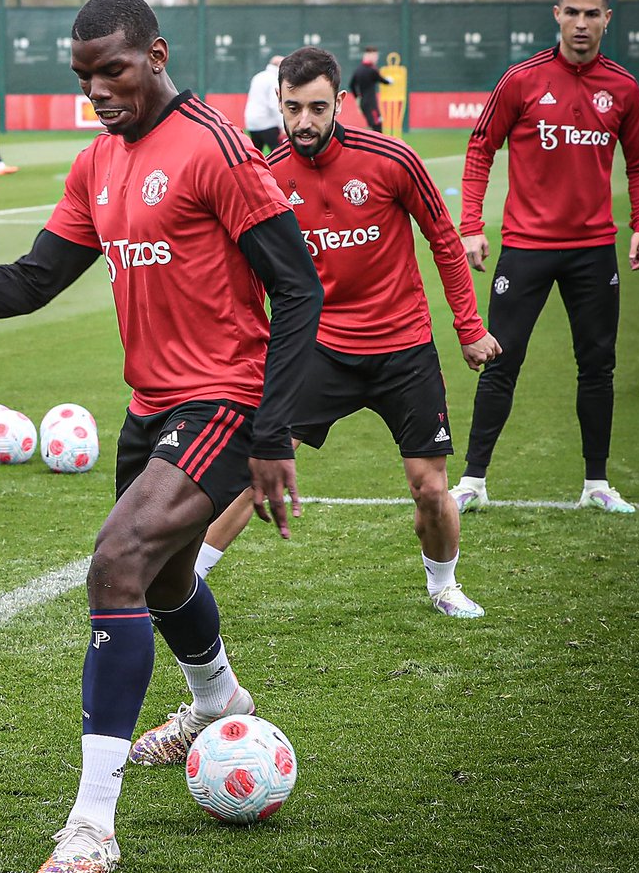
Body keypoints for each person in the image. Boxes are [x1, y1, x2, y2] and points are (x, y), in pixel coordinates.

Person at [0, 0, 322, 873]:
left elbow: (299, 288)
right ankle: (219, 698)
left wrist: (274, 433)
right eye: (83, 78)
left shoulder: (218, 149)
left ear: (156, 55)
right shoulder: (96, 163)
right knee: (163, 579)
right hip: (151, 406)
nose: (97, 92)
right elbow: (35, 279)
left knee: (115, 564)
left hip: (225, 402)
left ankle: (92, 829)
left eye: (111, 71)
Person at [191, 46, 501, 620]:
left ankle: (444, 585)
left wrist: (469, 327)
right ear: (278, 103)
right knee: (260, 461)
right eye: (293, 108)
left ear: (339, 101)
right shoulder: (267, 175)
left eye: (317, 108)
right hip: (321, 350)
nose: (304, 122)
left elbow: (442, 239)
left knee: (430, 488)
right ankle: (188, 581)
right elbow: (245, 271)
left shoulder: (391, 159)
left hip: (403, 348)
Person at [450, 0, 639, 516]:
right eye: (572, 12)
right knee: (500, 361)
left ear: (607, 19)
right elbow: (480, 148)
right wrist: (471, 226)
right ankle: (472, 480)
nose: (581, 23)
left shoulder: (624, 89)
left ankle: (596, 483)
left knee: (598, 367)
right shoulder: (522, 80)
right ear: (557, 15)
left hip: (593, 250)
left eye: (592, 13)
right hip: (526, 248)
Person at [244, 53, 283, 153]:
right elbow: (274, 104)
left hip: (252, 122)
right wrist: (283, 125)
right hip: (267, 122)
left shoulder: (258, 76)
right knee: (278, 153)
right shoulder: (274, 79)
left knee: (256, 154)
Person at [349, 46, 390, 132]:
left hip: (364, 102)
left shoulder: (358, 70)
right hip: (371, 104)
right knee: (377, 126)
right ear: (369, 55)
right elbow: (383, 81)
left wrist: (357, 97)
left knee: (373, 125)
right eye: (375, 56)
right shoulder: (372, 70)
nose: (376, 58)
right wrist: (390, 81)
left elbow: (351, 85)